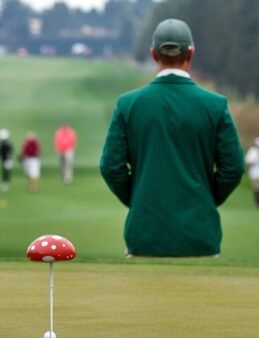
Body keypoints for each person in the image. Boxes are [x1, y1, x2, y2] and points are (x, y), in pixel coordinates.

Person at [99, 19, 245, 257]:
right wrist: (204, 201)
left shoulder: (128, 105)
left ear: (154, 54)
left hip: (144, 233)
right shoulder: (216, 106)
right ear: (191, 53)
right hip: (199, 233)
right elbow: (233, 168)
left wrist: (139, 199)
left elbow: (110, 167)